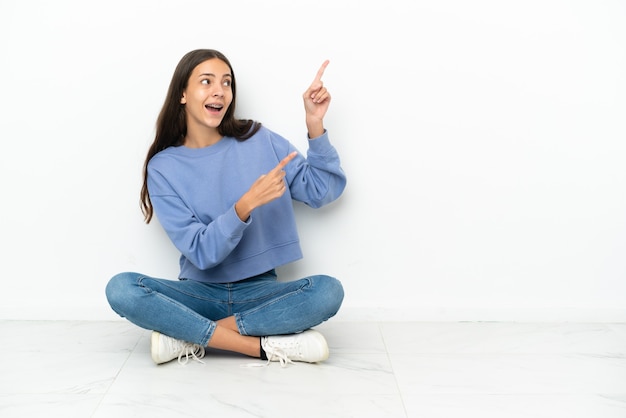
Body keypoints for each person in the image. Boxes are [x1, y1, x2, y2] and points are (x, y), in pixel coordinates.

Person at [105, 49, 347, 367]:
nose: (220, 90)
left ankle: (188, 336)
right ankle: (261, 348)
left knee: (328, 292)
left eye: (226, 82)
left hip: (259, 294)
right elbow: (202, 253)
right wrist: (245, 206)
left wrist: (315, 124)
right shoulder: (163, 167)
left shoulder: (259, 139)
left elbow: (321, 191)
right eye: (206, 81)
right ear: (182, 93)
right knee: (121, 288)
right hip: (197, 295)